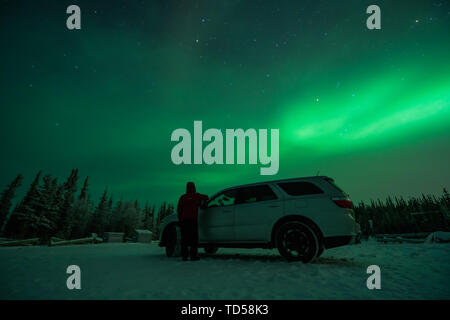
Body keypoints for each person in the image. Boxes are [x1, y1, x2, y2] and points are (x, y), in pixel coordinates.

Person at [177, 182, 209, 261]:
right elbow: (207, 197)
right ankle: (193, 256)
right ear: (194, 187)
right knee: (193, 239)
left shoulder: (183, 197)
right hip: (193, 220)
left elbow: (179, 209)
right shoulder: (197, 196)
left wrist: (180, 219)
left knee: (184, 239)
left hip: (184, 220)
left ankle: (184, 256)